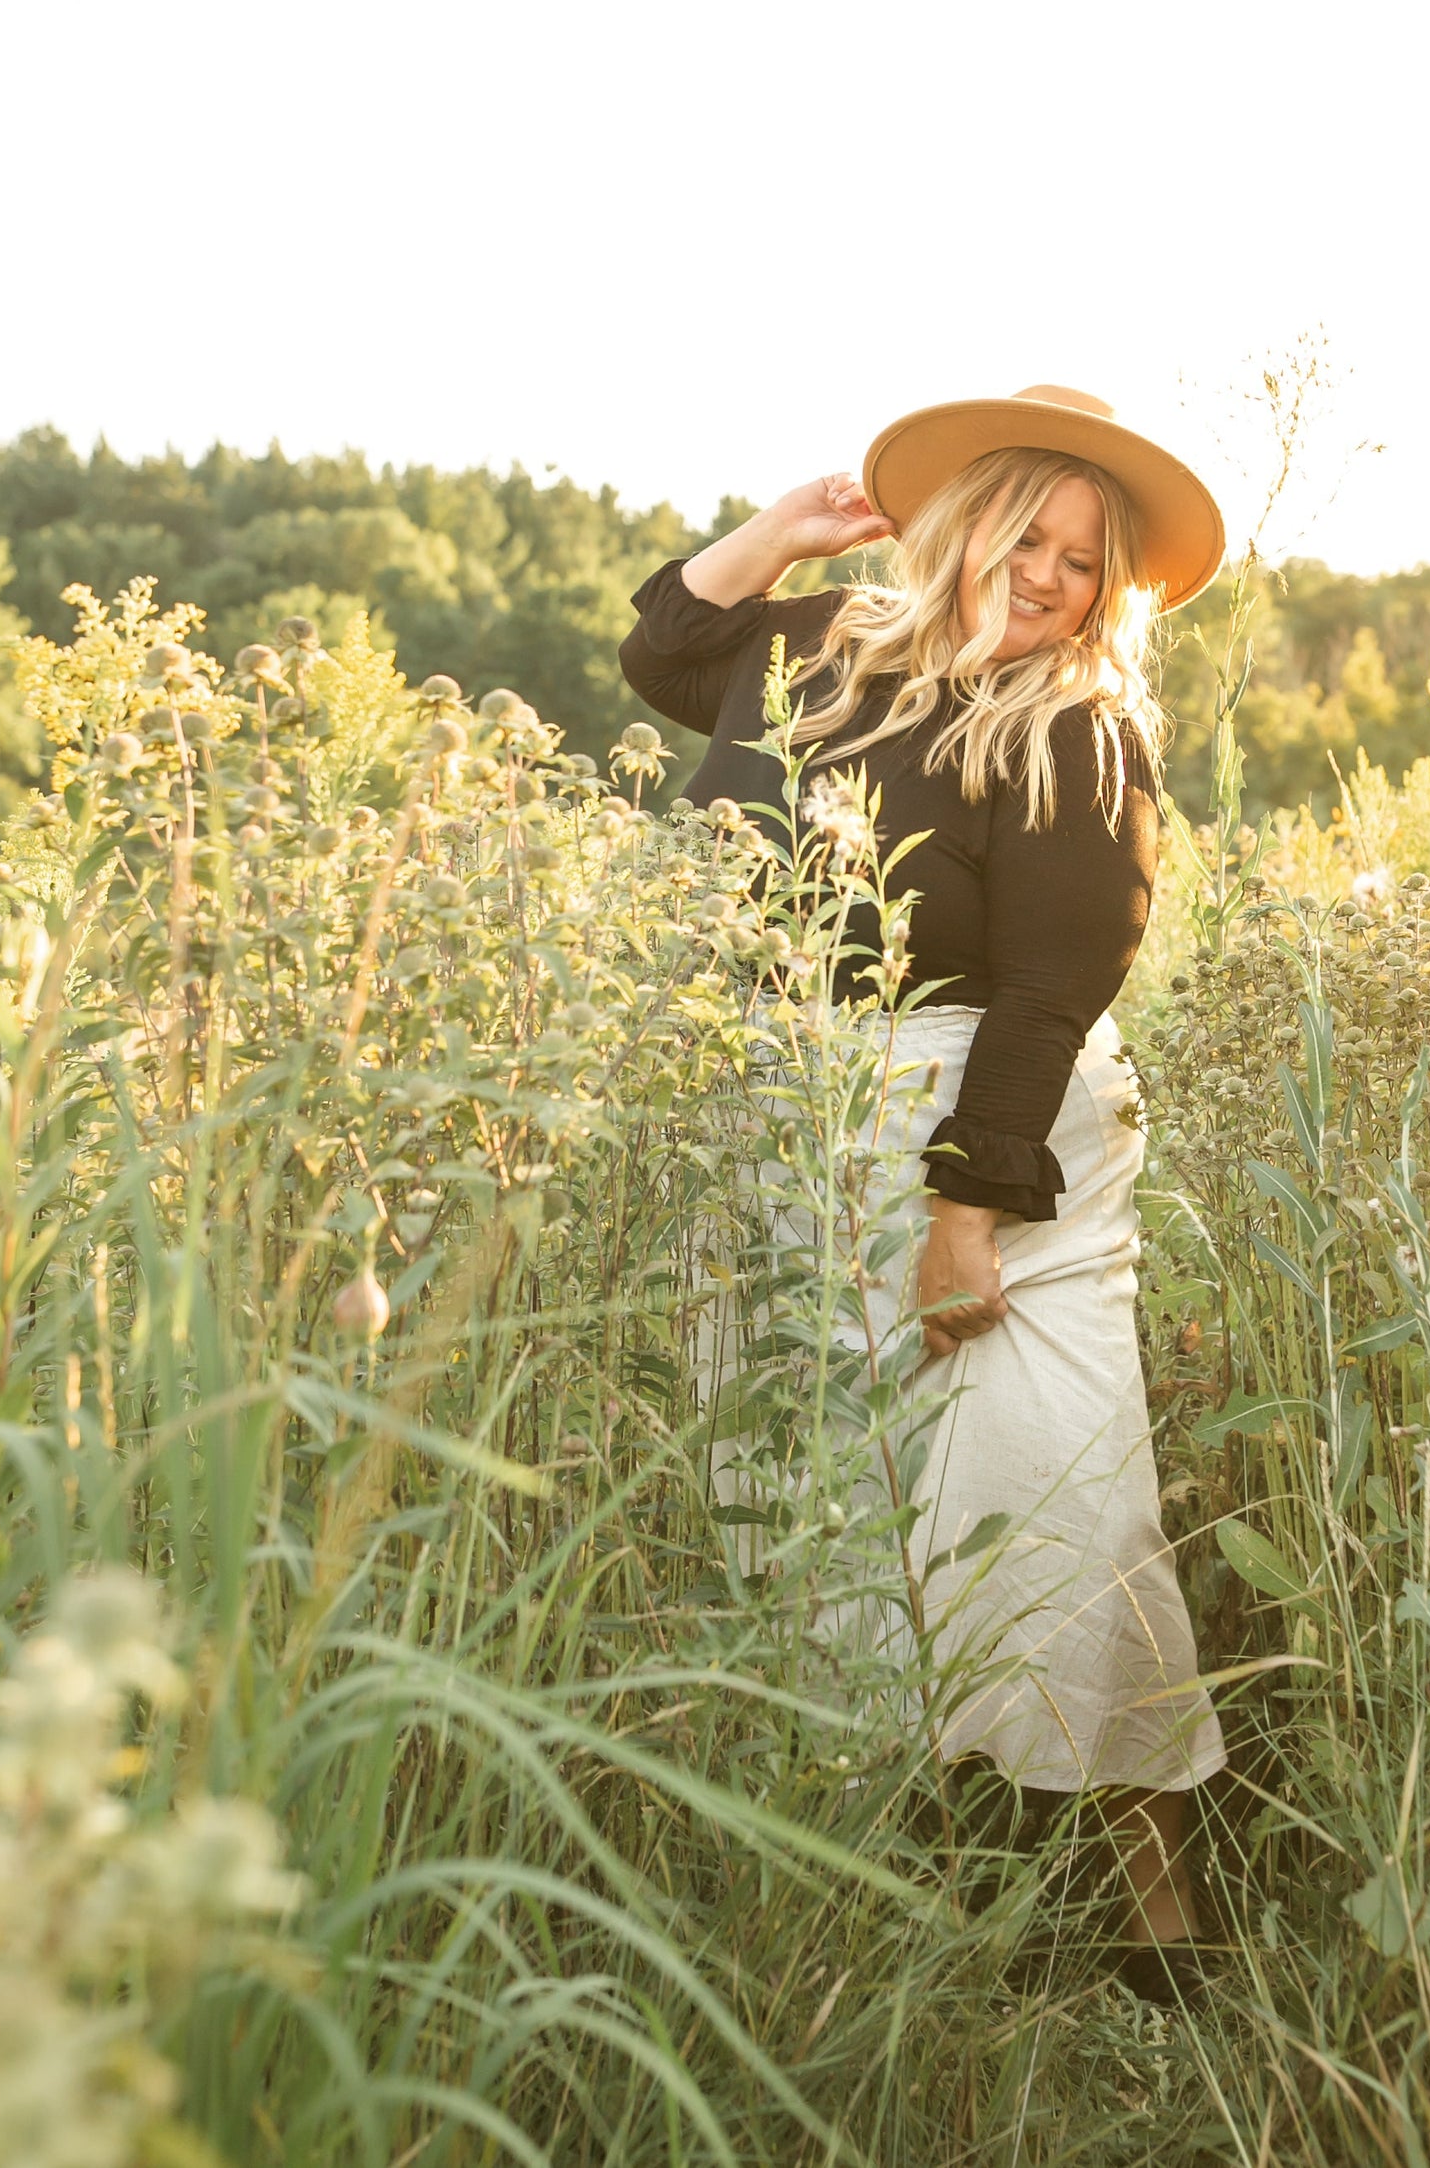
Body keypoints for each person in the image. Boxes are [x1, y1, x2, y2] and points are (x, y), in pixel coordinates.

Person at [619, 385, 1227, 1997]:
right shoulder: (815, 649)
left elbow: (1049, 991)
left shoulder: (1077, 730)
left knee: (1060, 1495)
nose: (1045, 577)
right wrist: (782, 530)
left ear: (1110, 594)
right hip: (784, 1114)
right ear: (962, 523)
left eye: (1083, 562)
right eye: (1025, 534)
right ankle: (878, 1887)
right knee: (812, 1508)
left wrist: (964, 1213)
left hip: (990, 1128)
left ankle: (1159, 1917)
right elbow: (666, 654)